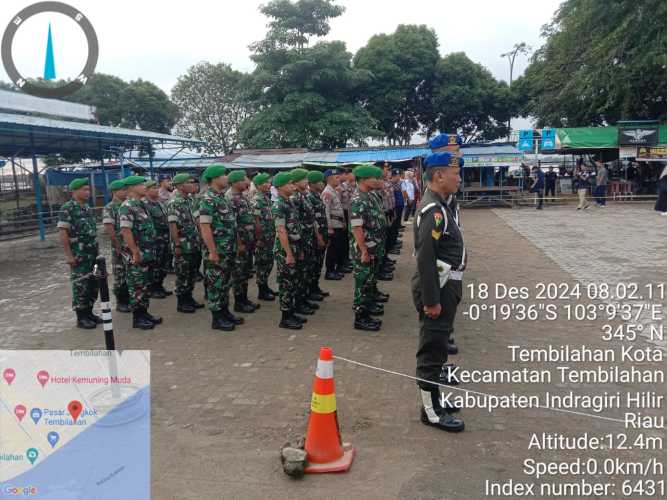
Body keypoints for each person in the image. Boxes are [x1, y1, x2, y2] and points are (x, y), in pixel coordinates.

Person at [412, 152, 466, 433]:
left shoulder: (442, 206)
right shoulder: (432, 210)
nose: (459, 177)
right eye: (454, 173)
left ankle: (435, 399)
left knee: (440, 345)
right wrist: (431, 300)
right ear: (438, 176)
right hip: (438, 289)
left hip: (447, 286)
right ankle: (431, 412)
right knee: (432, 349)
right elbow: (425, 259)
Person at [198, 164, 241, 331]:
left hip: (228, 249)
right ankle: (217, 318)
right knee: (216, 284)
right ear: (214, 178)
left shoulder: (222, 197)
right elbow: (205, 227)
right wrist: (212, 251)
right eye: (224, 175)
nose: (227, 178)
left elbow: (231, 224)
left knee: (225, 283)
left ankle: (225, 312)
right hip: (217, 251)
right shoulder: (208, 199)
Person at [119, 176, 162, 330]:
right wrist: (134, 251)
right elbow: (126, 230)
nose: (145, 186)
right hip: (137, 254)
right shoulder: (127, 206)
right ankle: (138, 318)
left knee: (144, 285)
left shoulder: (141, 205)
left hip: (147, 253)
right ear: (131, 188)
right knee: (137, 286)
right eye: (141, 184)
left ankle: (144, 313)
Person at [57, 178, 101, 329]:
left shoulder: (87, 207)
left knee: (93, 284)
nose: (87, 192)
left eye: (88, 189)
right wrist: (69, 256)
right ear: (74, 191)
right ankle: (81, 317)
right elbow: (63, 233)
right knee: (80, 285)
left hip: (93, 253)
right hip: (79, 254)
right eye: (84, 189)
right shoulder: (67, 208)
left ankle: (89, 312)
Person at [349, 165, 384, 331]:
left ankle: (367, 310)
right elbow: (357, 228)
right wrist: (363, 250)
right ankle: (360, 318)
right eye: (374, 178)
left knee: (369, 280)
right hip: (363, 249)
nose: (377, 180)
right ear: (363, 180)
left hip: (373, 246)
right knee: (362, 282)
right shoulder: (358, 199)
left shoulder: (368, 196)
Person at [272, 172, 306, 329]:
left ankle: (291, 312)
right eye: (289, 184)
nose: (293, 186)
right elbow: (281, 231)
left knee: (293, 282)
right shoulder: (278, 204)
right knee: (286, 284)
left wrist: (298, 250)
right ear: (280, 187)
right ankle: (285, 317)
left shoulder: (289, 202)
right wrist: (289, 254)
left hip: (294, 247)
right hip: (285, 251)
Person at [167, 173, 202, 314]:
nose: (193, 184)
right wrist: (177, 245)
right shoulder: (174, 203)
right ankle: (182, 302)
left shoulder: (190, 200)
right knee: (183, 274)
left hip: (193, 243)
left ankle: (189, 297)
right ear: (181, 185)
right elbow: (173, 225)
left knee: (192, 273)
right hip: (183, 245)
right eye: (190, 182)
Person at [226, 170, 260, 314]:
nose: (247, 181)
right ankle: (239, 302)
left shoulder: (242, 197)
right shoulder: (231, 199)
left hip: (248, 241)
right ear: (235, 182)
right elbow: (233, 224)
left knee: (245, 271)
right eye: (244, 179)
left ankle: (244, 299)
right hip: (240, 243)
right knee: (238, 273)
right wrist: (239, 243)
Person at [102, 179, 130, 313]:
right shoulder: (110, 207)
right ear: (114, 192)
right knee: (120, 275)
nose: (125, 192)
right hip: (119, 247)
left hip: (129, 245)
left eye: (126, 189)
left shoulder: (127, 205)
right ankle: (121, 302)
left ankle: (128, 298)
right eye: (122, 190)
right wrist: (117, 245)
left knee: (129, 273)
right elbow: (109, 228)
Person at [144, 179, 172, 299]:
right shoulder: (145, 205)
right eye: (153, 188)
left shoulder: (159, 203)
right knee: (154, 266)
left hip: (165, 239)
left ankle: (159, 285)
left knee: (163, 264)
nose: (156, 190)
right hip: (154, 241)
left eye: (156, 187)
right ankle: (153, 288)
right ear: (146, 190)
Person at [252, 173, 277, 301]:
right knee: (262, 264)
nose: (268, 185)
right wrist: (259, 238)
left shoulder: (266, 198)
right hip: (263, 238)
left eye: (269, 182)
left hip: (270, 237)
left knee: (268, 263)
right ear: (258, 185)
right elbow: (256, 220)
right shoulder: (257, 199)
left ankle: (265, 286)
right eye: (265, 183)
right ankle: (262, 290)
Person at [306, 170, 330, 300]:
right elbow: (313, 220)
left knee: (319, 264)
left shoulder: (317, 195)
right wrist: (319, 237)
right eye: (320, 182)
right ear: (313, 183)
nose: (322, 184)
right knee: (313, 265)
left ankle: (315, 287)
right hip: (315, 237)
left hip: (322, 234)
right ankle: (311, 290)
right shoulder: (310, 197)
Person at [321, 168, 346, 280]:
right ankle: (329, 271)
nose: (339, 179)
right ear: (329, 179)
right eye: (336, 177)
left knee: (337, 249)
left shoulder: (334, 190)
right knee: (332, 250)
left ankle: (334, 269)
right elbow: (326, 211)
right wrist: (329, 227)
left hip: (338, 224)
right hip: (333, 226)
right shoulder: (327, 192)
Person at [338, 169, 356, 272]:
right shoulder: (341, 187)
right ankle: (343, 261)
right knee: (343, 241)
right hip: (344, 214)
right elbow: (339, 203)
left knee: (347, 239)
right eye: (350, 173)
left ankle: (346, 259)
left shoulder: (354, 186)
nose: (353, 175)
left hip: (351, 214)